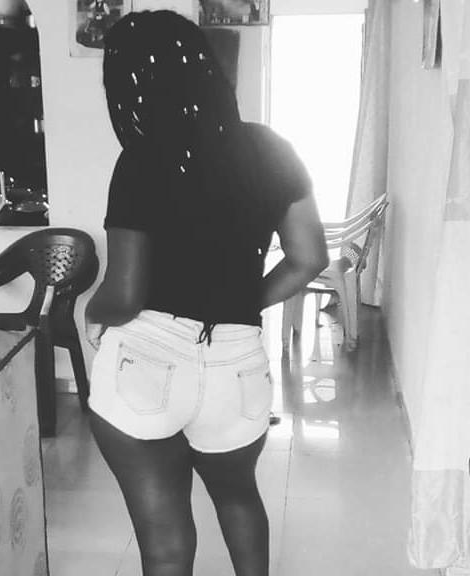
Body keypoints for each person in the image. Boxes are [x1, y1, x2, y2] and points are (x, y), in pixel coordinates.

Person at [84, 10, 328, 576]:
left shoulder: (140, 159)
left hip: (146, 361)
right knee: (239, 497)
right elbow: (309, 257)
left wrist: (90, 311)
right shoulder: (270, 148)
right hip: (235, 365)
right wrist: (242, 303)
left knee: (165, 541)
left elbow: (124, 294)